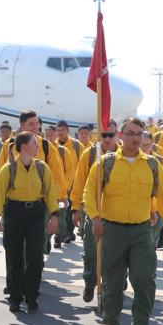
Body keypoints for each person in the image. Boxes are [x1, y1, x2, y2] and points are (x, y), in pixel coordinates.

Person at [84, 118, 163, 325]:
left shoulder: (153, 165)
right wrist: (95, 219)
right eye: (130, 133)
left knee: (145, 280)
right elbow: (89, 193)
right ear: (120, 136)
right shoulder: (105, 163)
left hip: (141, 230)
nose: (135, 138)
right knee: (113, 283)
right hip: (112, 230)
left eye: (139, 133)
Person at [0, 131, 59, 312]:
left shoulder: (42, 168)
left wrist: (54, 215)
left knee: (36, 256)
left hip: (36, 215)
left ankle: (31, 296)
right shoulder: (9, 169)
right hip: (14, 214)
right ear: (23, 147)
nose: (38, 147)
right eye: (34, 144)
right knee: (14, 256)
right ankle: (15, 297)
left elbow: (51, 193)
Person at [71, 121, 119, 302]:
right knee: (91, 252)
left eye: (110, 135)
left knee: (114, 254)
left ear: (117, 135)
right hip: (93, 211)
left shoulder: (124, 155)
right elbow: (79, 181)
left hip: (117, 214)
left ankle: (111, 286)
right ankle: (90, 282)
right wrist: (75, 208)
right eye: (103, 135)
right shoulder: (90, 154)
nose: (106, 139)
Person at [56, 121, 83, 243]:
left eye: (62, 130)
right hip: (59, 184)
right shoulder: (52, 146)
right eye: (58, 130)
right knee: (61, 210)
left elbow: (84, 164)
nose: (60, 133)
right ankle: (61, 232)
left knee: (70, 209)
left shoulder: (76, 146)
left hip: (74, 183)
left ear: (67, 131)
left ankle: (68, 232)